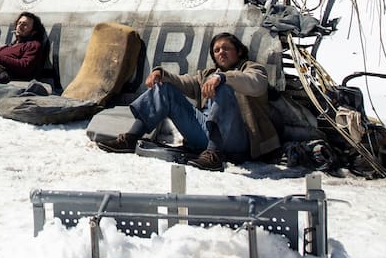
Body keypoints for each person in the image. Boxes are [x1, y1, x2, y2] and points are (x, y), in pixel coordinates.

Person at [96, 32, 279, 172]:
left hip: (237, 139)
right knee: (164, 87)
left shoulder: (253, 69)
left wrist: (223, 78)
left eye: (226, 48)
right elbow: (184, 82)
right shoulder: (206, 75)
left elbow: (255, 84)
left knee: (223, 88)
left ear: (238, 51)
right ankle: (130, 138)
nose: (221, 52)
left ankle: (215, 155)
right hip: (204, 133)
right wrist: (161, 74)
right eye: (216, 50)